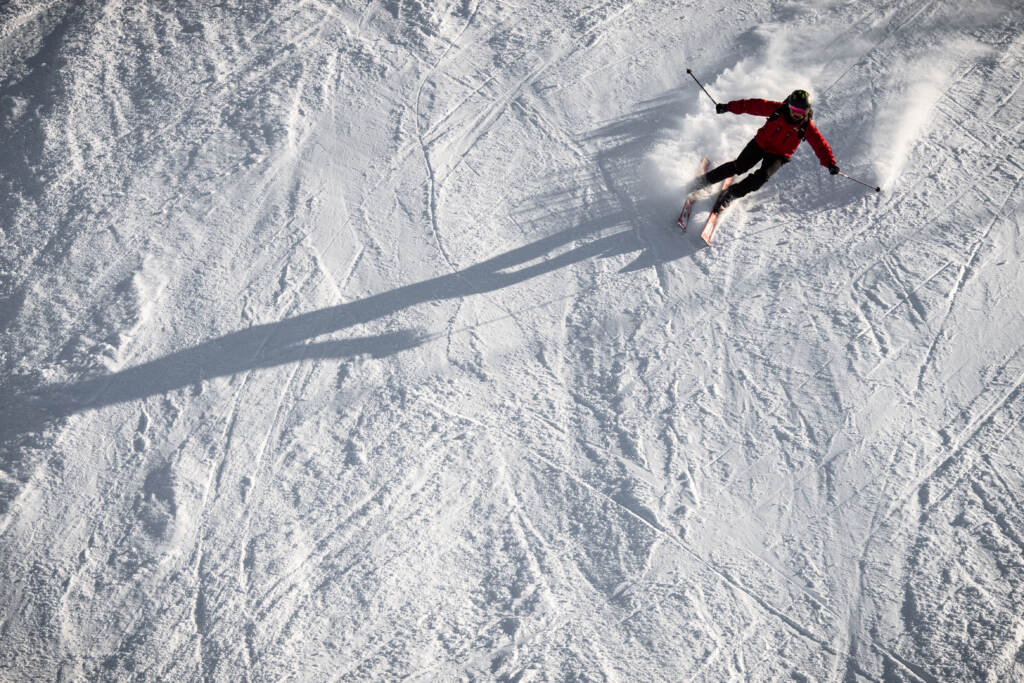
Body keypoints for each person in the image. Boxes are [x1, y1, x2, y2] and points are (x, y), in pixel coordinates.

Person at [688, 90, 839, 212]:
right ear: (789, 105)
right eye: (794, 108)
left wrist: (830, 163)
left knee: (760, 178)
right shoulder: (778, 109)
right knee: (739, 166)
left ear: (807, 111)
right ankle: (704, 181)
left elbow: (821, 145)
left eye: (801, 111)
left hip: (779, 155)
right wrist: (727, 107)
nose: (796, 113)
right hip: (760, 143)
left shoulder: (807, 126)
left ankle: (731, 193)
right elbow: (752, 105)